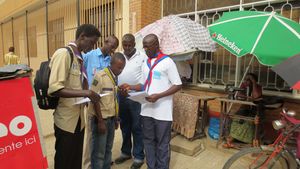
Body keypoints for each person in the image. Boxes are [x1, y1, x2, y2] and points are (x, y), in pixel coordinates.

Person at [120, 34, 182, 169]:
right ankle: (151, 166)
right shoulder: (146, 63)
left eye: (147, 47)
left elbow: (178, 85)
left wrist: (158, 96)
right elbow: (143, 84)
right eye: (144, 47)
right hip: (146, 110)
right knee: (148, 141)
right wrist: (130, 87)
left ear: (156, 45)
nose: (145, 49)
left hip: (163, 112)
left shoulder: (167, 62)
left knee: (162, 143)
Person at [48, 24, 101, 169]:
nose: (92, 46)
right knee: (65, 160)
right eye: (91, 42)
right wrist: (87, 93)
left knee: (75, 160)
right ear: (82, 36)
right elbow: (55, 88)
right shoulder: (64, 54)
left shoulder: (80, 58)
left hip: (79, 119)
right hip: (66, 120)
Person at [86, 52, 126, 169]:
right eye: (119, 67)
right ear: (111, 64)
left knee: (108, 150)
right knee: (99, 152)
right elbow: (94, 99)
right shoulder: (100, 76)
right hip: (101, 120)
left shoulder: (115, 78)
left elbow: (114, 99)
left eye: (122, 68)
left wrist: (116, 118)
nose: (121, 70)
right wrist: (100, 121)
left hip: (111, 119)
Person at [115, 34, 147, 169]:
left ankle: (139, 156)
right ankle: (126, 152)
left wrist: (131, 87)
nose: (127, 47)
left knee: (137, 127)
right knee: (125, 126)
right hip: (121, 97)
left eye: (130, 45)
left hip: (136, 97)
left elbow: (146, 79)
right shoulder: (119, 56)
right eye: (125, 45)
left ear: (134, 44)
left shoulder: (142, 57)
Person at [223, 73, 263, 148]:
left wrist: (254, 83)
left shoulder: (258, 87)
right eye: (246, 79)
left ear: (254, 81)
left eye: (249, 80)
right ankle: (231, 139)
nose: (246, 82)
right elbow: (238, 94)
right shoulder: (244, 85)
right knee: (235, 118)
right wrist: (247, 97)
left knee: (250, 122)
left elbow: (257, 96)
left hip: (255, 110)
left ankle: (248, 142)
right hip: (245, 108)